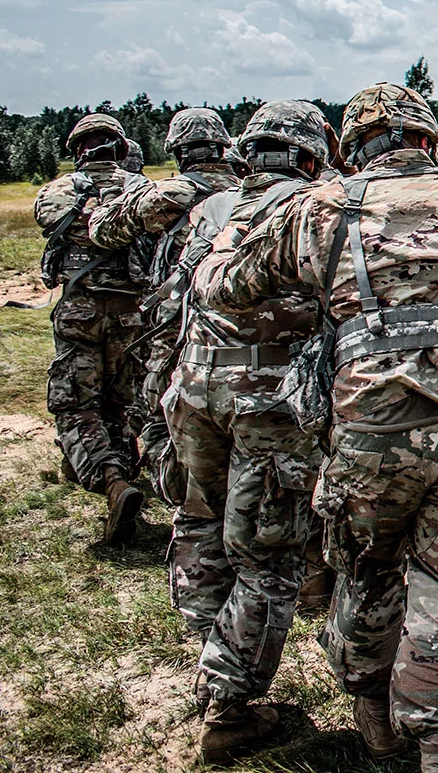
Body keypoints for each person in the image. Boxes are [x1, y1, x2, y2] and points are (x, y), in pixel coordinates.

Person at [196, 83, 438, 773]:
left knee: (366, 573)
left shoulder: (322, 206)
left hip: (367, 436)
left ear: (350, 147)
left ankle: (376, 722)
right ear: (428, 138)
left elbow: (229, 288)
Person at [167, 101, 331, 763]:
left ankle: (210, 648)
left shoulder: (210, 210)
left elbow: (175, 299)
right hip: (267, 405)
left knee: (201, 522)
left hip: (194, 391)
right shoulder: (319, 209)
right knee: (269, 552)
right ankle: (227, 708)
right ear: (312, 155)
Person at [87, 107, 243, 508]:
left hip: (177, 326)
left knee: (160, 411)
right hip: (240, 324)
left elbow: (103, 232)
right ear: (223, 146)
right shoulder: (252, 188)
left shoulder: (170, 194)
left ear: (177, 150)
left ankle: (186, 499)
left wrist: (113, 193)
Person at [32, 113, 151, 543]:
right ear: (119, 147)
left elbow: (48, 222)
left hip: (80, 311)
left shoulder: (59, 191)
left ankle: (112, 482)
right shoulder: (142, 190)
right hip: (131, 314)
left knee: (76, 402)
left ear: (77, 149)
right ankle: (124, 483)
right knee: (121, 403)